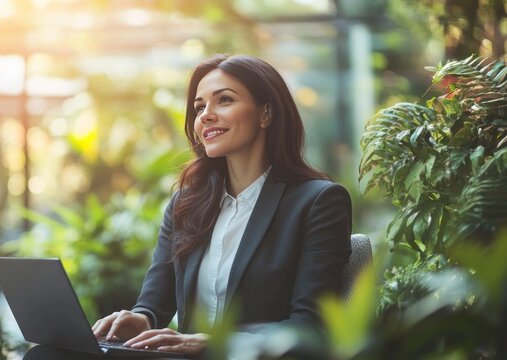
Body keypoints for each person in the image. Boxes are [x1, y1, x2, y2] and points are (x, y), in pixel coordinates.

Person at [91, 54, 352, 355]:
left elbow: (310, 327)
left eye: (224, 100)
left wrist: (214, 343)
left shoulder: (318, 202)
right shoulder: (185, 205)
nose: (206, 115)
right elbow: (154, 304)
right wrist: (141, 319)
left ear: (266, 113)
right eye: (200, 107)